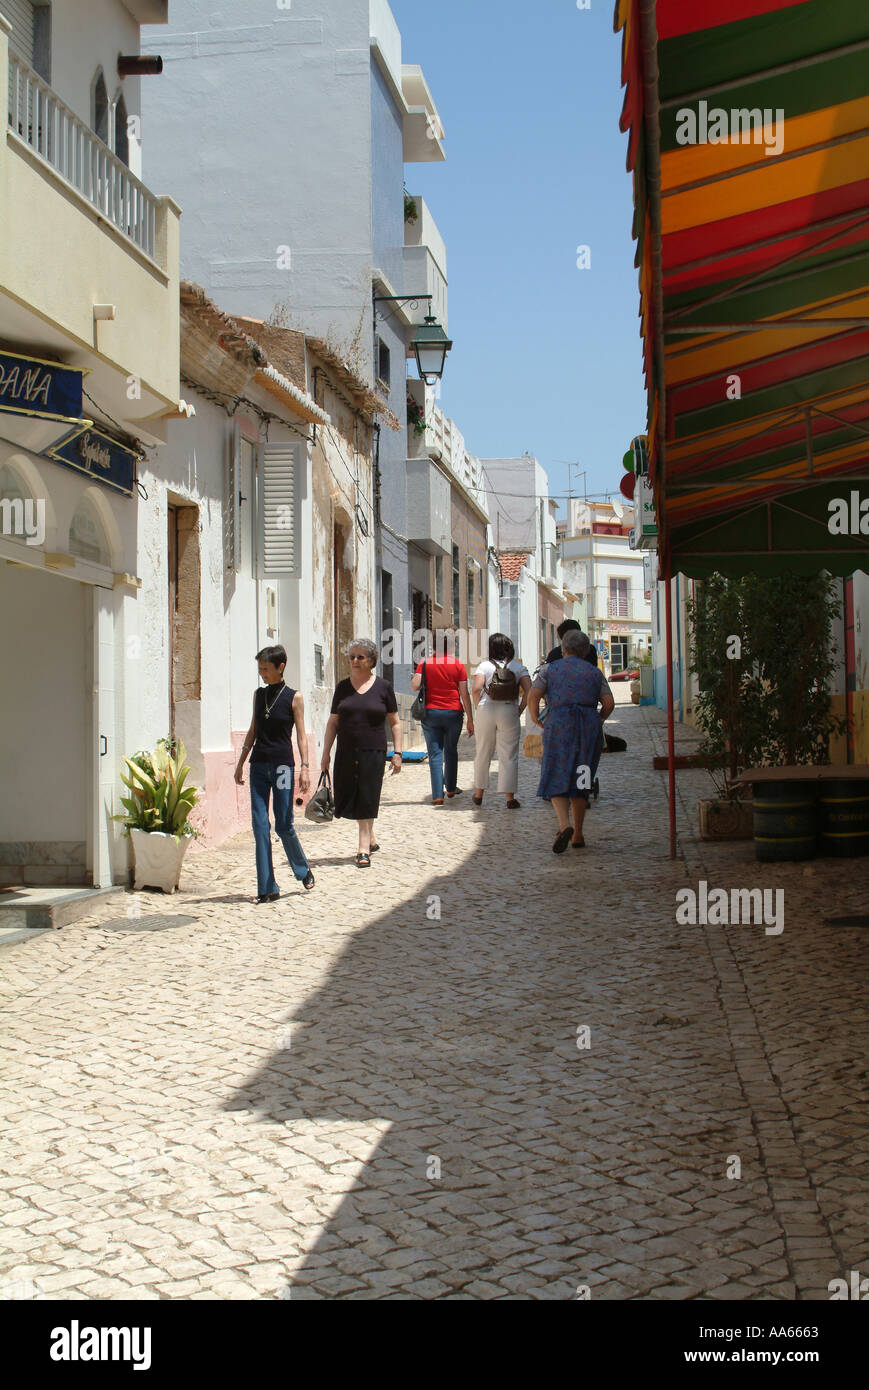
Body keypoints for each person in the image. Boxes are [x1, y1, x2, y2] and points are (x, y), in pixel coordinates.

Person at [234, 644, 315, 903]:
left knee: (283, 824)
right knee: (259, 826)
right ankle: (267, 887)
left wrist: (304, 766)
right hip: (258, 766)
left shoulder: (294, 697)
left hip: (282, 766)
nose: (262, 673)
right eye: (259, 669)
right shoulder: (258, 695)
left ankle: (302, 869)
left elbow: (301, 735)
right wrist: (240, 762)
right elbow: (252, 731)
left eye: (266, 669)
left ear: (280, 667)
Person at [527, 629, 614, 853]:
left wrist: (536, 718)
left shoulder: (549, 670)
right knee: (583, 775)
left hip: (559, 724)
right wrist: (598, 719)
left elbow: (534, 695)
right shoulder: (595, 673)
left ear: (563, 649)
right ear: (585, 651)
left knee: (556, 771)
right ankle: (578, 834)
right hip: (587, 727)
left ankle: (564, 825)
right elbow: (609, 703)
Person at [320, 638, 402, 867]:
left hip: (373, 751)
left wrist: (398, 752)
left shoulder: (383, 687)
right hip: (346, 752)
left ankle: (363, 848)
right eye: (351, 657)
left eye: (360, 657)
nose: (354, 661)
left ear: (371, 660)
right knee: (352, 794)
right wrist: (325, 753)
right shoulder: (342, 688)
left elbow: (395, 722)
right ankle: (372, 838)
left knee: (368, 795)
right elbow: (333, 722)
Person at [411, 633, 474, 806]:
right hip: (453, 712)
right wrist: (470, 718)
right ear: (452, 647)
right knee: (451, 749)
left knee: (435, 753)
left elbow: (415, 685)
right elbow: (464, 693)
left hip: (431, 713)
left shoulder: (425, 663)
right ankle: (451, 788)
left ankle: (438, 795)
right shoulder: (458, 665)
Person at [471, 633, 531, 808]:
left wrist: (478, 707)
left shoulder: (484, 666)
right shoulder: (518, 667)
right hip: (509, 710)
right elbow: (530, 691)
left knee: (483, 751)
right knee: (509, 754)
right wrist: (519, 709)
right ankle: (509, 798)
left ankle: (479, 793)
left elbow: (476, 689)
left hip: (486, 709)